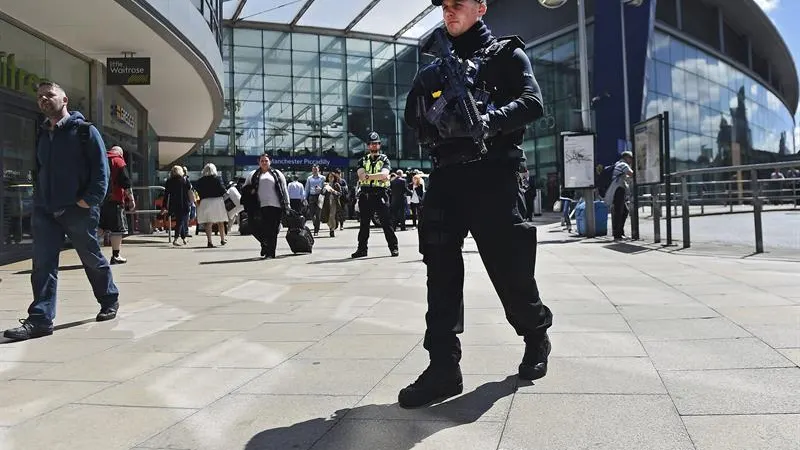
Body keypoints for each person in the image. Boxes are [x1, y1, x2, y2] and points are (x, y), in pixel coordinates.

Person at [398, 0, 553, 408]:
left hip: (495, 174)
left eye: (458, 5)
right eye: (444, 6)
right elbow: (412, 120)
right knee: (440, 272)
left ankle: (536, 335)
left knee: (510, 270)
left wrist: (489, 120)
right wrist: (434, 117)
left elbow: (534, 103)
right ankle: (443, 367)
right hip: (447, 176)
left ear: (481, 8)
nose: (449, 13)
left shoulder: (506, 55)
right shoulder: (432, 69)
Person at [4, 81, 120, 341]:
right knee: (42, 265)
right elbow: (40, 169)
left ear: (64, 100)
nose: (44, 99)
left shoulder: (85, 132)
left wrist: (88, 201)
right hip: (46, 209)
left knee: (91, 258)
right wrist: (39, 199)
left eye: (49, 95)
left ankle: (109, 299)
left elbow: (102, 172)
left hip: (77, 209)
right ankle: (40, 319)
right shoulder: (43, 134)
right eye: (40, 97)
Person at [351, 132, 399, 258]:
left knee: (386, 223)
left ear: (379, 145)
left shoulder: (384, 159)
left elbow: (384, 175)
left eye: (376, 143)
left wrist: (368, 176)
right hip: (366, 195)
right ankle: (362, 249)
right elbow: (361, 176)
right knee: (364, 225)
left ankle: (393, 248)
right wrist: (375, 176)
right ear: (368, 145)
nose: (374, 146)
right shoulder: (362, 160)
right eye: (372, 144)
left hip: (380, 194)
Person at [243, 154, 290, 259]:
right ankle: (265, 243)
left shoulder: (277, 174)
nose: (264, 162)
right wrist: (250, 191)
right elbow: (245, 188)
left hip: (275, 205)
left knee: (272, 230)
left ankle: (270, 252)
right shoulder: (253, 174)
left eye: (266, 161)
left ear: (270, 162)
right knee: (255, 228)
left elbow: (284, 189)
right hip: (259, 206)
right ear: (258, 162)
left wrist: (287, 204)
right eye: (262, 161)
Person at [98, 145, 134, 264]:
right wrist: (131, 199)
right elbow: (126, 183)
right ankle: (116, 255)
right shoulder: (119, 161)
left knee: (100, 227)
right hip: (115, 200)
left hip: (99, 200)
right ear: (120, 153)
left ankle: (92, 253)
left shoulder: (100, 158)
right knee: (117, 230)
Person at [195, 163, 228, 248]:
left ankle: (209, 241)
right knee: (220, 222)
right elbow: (223, 190)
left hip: (205, 202)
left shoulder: (201, 180)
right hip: (217, 201)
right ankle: (222, 239)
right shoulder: (218, 179)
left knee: (208, 223)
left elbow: (197, 191)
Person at [603, 151, 634, 240]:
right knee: (619, 211)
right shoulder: (623, 165)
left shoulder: (618, 163)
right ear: (626, 158)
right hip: (618, 190)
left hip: (617, 189)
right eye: (631, 158)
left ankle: (619, 232)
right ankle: (617, 234)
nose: (631, 160)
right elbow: (632, 174)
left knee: (624, 211)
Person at [163, 166, 193, 246]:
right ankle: (175, 239)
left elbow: (166, 195)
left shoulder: (169, 181)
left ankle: (184, 238)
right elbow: (190, 190)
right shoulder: (184, 180)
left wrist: (164, 206)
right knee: (180, 221)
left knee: (180, 220)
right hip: (184, 203)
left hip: (174, 204)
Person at [304, 165, 325, 236]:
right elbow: (307, 189)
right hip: (312, 196)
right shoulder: (309, 178)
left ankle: (316, 229)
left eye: (316, 169)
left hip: (320, 196)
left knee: (318, 214)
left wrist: (321, 189)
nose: (315, 170)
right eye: (313, 169)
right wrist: (304, 198)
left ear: (318, 170)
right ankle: (315, 224)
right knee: (312, 214)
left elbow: (325, 188)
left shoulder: (322, 178)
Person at [321, 172, 342, 237]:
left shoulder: (336, 185)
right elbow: (323, 193)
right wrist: (322, 189)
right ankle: (331, 226)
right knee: (327, 216)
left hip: (334, 202)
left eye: (332, 177)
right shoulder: (326, 185)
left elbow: (340, 193)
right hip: (327, 202)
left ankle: (332, 229)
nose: (330, 178)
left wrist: (333, 191)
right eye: (329, 177)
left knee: (331, 215)